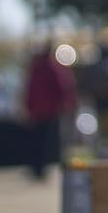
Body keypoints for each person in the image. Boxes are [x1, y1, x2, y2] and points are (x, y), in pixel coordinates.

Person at [23, 43, 76, 180]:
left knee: (38, 140)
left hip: (39, 111)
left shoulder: (37, 68)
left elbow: (30, 91)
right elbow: (63, 88)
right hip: (50, 111)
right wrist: (66, 105)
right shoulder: (53, 68)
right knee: (47, 141)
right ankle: (43, 166)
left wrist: (28, 108)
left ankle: (38, 167)